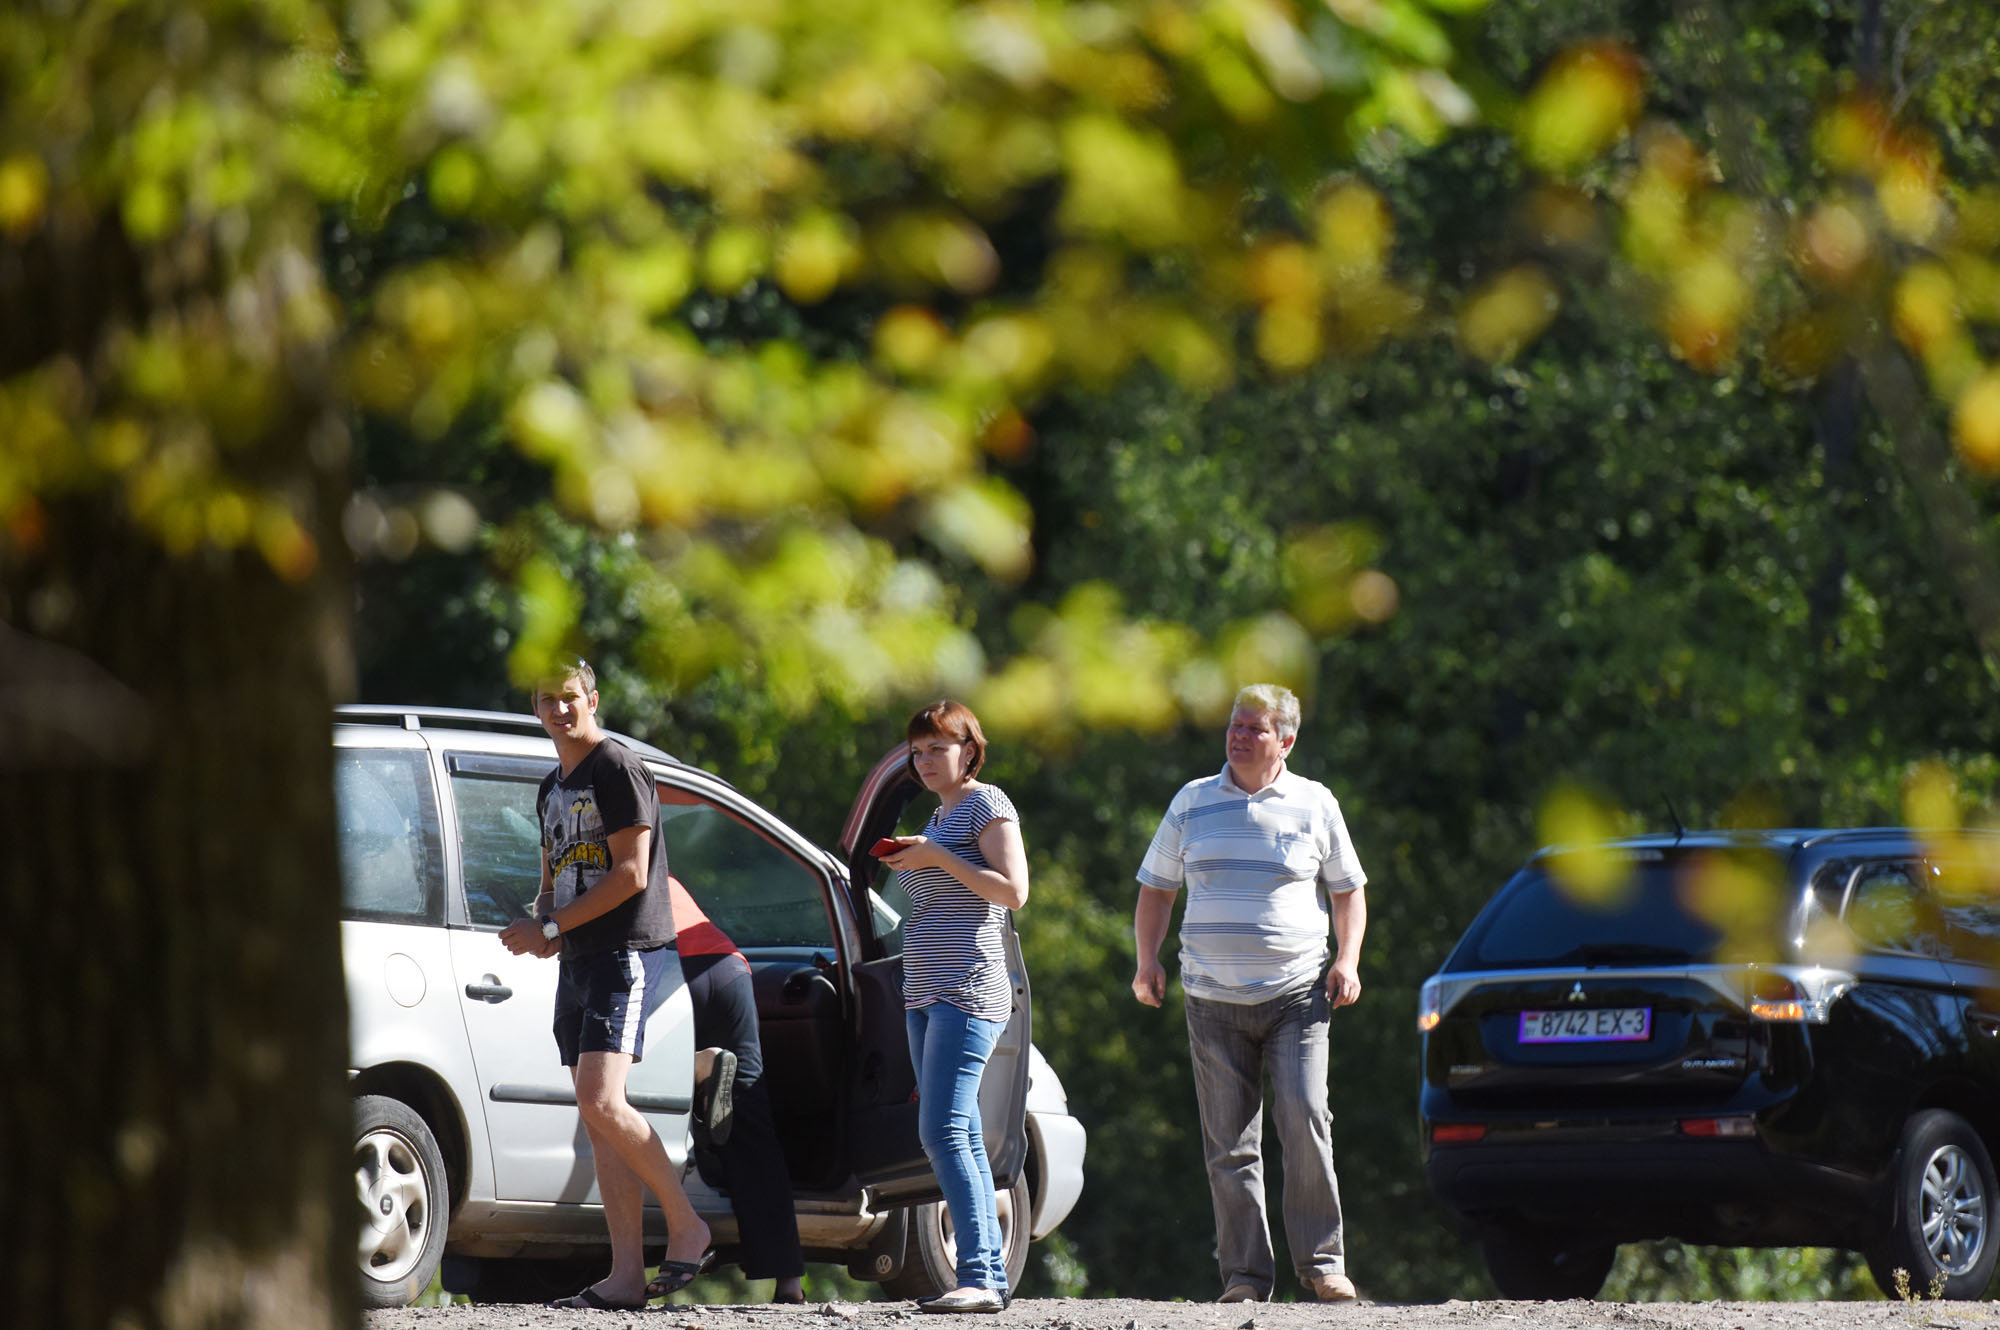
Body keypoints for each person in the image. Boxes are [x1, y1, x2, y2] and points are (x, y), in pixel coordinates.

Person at [1130, 683, 1367, 1305]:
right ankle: (1244, 1278)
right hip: (1211, 998)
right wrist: (1146, 962)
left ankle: (1322, 1266)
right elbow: (1157, 889)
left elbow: (1348, 890)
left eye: (1254, 729)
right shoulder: (1193, 801)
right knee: (1229, 1146)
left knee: (1305, 1118)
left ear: (1285, 740)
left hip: (1297, 996)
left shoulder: (1315, 803)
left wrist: (1348, 959)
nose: (1239, 736)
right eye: (1235, 725)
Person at [497, 660, 713, 1310]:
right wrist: (541, 925)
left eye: (571, 698)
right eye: (547, 700)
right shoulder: (551, 786)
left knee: (600, 1098)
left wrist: (556, 923)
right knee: (598, 1120)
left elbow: (631, 873)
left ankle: (686, 1224)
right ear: (536, 708)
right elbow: (552, 873)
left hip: (627, 953)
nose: (560, 710)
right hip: (578, 959)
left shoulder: (616, 767)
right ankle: (624, 1276)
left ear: (592, 699)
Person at [875, 700, 1031, 1314]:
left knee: (940, 1127)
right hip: (923, 990)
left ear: (969, 750)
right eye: (917, 751)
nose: (925, 760)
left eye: (937, 748)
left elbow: (1014, 892)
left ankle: (978, 1276)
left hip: (969, 988)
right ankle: (986, 1274)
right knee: (957, 1128)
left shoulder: (986, 804)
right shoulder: (937, 818)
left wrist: (937, 858)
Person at [668, 875, 808, 1304]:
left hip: (671, 973)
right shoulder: (658, 868)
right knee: (751, 1126)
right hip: (728, 969)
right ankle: (788, 1280)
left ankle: (691, 1068)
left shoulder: (590, 866)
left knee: (619, 1083)